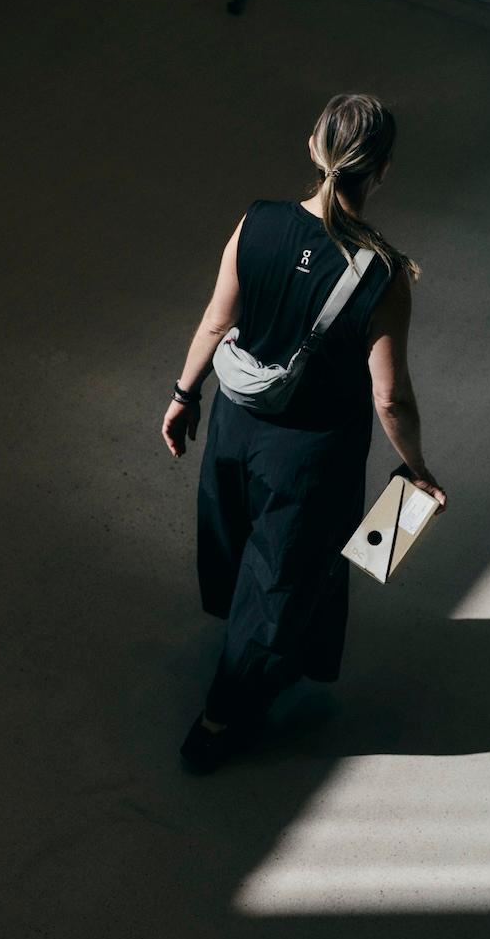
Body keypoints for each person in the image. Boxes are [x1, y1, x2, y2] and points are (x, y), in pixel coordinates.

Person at [160, 92, 448, 773]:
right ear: (383, 170)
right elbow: (390, 397)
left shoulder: (256, 221)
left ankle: (275, 647)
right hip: (311, 456)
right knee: (281, 578)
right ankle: (220, 719)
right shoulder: (381, 274)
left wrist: (184, 394)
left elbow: (215, 321)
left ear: (315, 147)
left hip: (236, 422)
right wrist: (418, 468)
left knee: (247, 546)